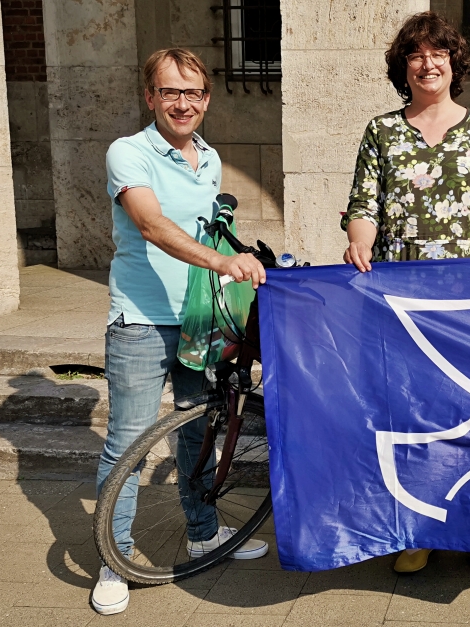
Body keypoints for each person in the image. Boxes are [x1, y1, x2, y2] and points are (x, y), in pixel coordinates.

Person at [341, 12, 470, 578]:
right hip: (400, 302)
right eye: (416, 55)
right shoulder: (382, 131)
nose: (428, 64)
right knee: (415, 416)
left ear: (455, 64)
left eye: (438, 54)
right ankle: (418, 532)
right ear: (403, 68)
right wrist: (359, 242)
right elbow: (364, 206)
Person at [90, 48, 270, 616]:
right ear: (151, 97)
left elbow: (210, 233)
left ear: (207, 98)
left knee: (199, 432)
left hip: (199, 321)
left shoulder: (210, 159)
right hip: (141, 322)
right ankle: (112, 560)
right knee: (129, 442)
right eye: (171, 92)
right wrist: (219, 265)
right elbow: (151, 224)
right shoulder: (130, 152)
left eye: (193, 93)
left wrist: (244, 265)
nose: (183, 103)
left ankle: (202, 533)